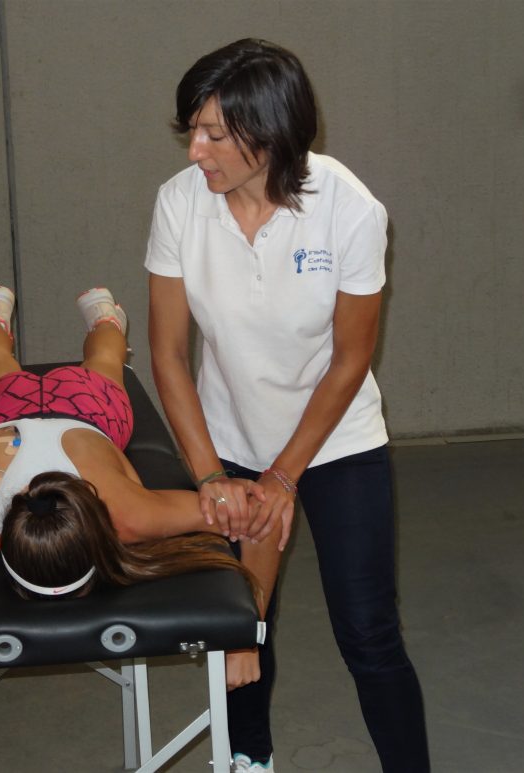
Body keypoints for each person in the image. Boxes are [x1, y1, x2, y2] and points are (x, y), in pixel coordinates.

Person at [146, 39, 430, 773]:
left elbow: (350, 359)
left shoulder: (349, 207)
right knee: (241, 621)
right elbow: (169, 355)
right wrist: (212, 476)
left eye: (212, 133)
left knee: (368, 632)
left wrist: (284, 476)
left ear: (266, 136)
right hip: (227, 440)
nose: (194, 152)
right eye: (192, 131)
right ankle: (250, 758)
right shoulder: (181, 205)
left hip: (335, 443)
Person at [0, 285, 265, 613]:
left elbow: (245, 509)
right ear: (1, 542)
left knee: (103, 363)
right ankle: (11, 314)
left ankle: (97, 318)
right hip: (7, 412)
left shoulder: (130, 517)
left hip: (86, 410)